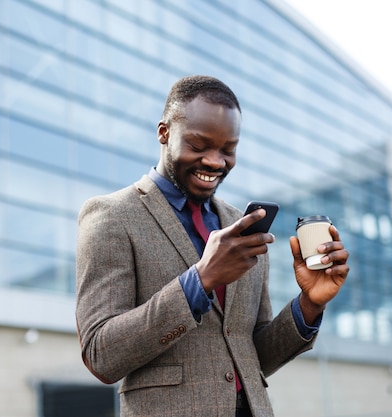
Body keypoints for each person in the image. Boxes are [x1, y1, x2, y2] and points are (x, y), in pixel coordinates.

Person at [75, 75, 349, 417]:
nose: (216, 162)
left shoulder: (239, 224)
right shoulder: (111, 216)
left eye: (228, 150)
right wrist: (200, 280)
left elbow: (253, 356)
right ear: (164, 133)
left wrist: (309, 304)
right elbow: (102, 354)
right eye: (198, 145)